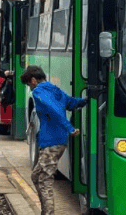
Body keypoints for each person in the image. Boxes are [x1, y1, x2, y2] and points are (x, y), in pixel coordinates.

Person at [19, 65, 87, 215]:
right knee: (36, 176)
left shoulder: (39, 91)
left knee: (44, 180)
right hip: (58, 141)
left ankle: (48, 213)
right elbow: (71, 102)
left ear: (33, 80)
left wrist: (69, 128)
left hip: (51, 142)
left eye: (29, 85)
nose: (30, 89)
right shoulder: (53, 89)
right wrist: (86, 100)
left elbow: (53, 109)